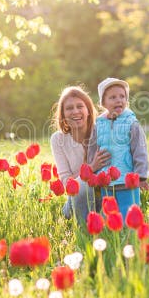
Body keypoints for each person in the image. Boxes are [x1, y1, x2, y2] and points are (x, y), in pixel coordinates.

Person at [88, 77, 149, 218]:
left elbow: (140, 151)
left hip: (128, 180)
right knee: (109, 214)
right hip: (106, 182)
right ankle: (111, 236)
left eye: (122, 96)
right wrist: (94, 173)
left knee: (129, 213)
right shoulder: (99, 125)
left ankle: (129, 236)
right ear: (103, 102)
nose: (119, 100)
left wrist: (141, 175)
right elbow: (93, 149)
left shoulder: (131, 123)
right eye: (113, 97)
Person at [50, 86, 111, 223]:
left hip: (104, 196)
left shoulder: (102, 132)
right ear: (63, 114)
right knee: (82, 187)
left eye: (80, 106)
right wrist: (91, 168)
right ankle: (85, 228)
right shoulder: (58, 140)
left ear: (88, 110)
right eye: (69, 108)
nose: (75, 111)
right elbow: (67, 183)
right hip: (77, 201)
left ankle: (104, 221)